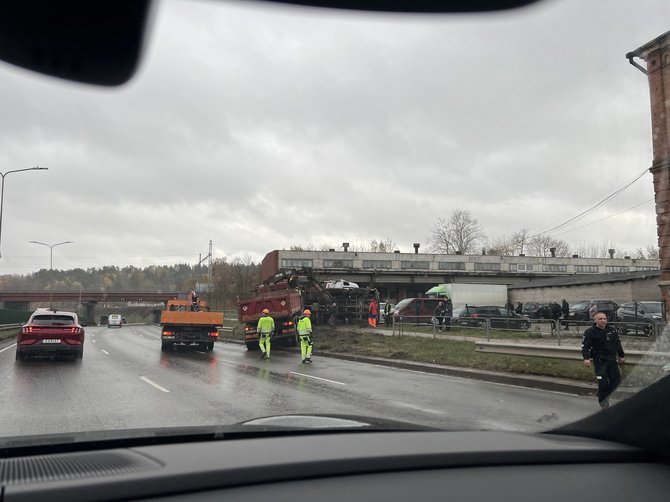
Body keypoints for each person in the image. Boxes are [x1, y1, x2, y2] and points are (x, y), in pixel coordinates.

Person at [581, 311, 625, 409]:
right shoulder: (590, 332)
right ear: (595, 320)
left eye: (604, 319)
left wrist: (621, 355)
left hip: (612, 361)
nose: (603, 321)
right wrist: (586, 358)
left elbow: (617, 344)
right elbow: (585, 346)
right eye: (600, 319)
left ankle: (603, 394)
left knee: (616, 382)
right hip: (600, 362)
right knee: (603, 383)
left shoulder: (612, 330)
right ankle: (603, 402)